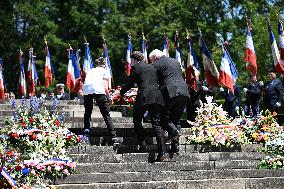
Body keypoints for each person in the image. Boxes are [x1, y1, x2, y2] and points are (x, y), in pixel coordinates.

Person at [120, 51, 166, 161]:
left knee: (137, 120)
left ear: (134, 60)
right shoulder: (153, 67)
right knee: (156, 124)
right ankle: (162, 151)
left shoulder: (136, 68)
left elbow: (130, 83)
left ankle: (143, 145)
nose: (131, 63)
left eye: (131, 60)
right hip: (156, 96)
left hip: (144, 96)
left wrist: (121, 92)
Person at [149, 49, 189, 155]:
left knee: (160, 117)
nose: (151, 62)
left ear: (155, 57)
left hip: (169, 91)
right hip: (184, 91)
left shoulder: (156, 64)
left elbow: (153, 81)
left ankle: (174, 132)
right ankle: (175, 147)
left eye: (151, 60)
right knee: (175, 120)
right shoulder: (175, 61)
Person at [82, 57, 118, 145]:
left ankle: (86, 131)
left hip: (87, 90)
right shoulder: (105, 71)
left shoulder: (90, 70)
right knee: (106, 114)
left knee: (88, 112)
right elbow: (106, 87)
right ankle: (113, 136)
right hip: (98, 90)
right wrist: (109, 98)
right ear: (104, 65)